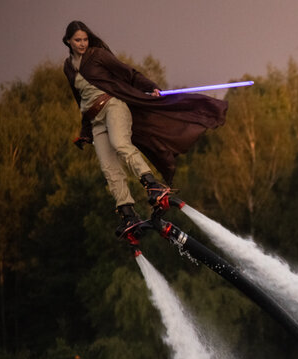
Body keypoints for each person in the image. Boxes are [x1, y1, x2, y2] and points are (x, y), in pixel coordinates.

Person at [61, 21, 228, 234]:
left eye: (85, 39)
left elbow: (128, 73)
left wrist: (150, 87)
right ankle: (128, 213)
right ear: (68, 41)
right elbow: (80, 99)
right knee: (108, 168)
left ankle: (153, 185)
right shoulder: (68, 67)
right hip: (95, 119)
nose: (82, 43)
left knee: (121, 144)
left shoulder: (97, 55)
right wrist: (85, 132)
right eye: (78, 40)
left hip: (113, 106)